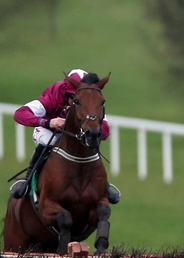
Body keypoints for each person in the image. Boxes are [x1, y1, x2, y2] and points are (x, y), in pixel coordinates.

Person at [10, 69, 119, 204]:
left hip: (75, 134)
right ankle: (27, 182)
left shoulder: (90, 98)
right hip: (49, 130)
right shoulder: (53, 95)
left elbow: (105, 131)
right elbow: (20, 114)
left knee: (91, 141)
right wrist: (48, 122)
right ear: (65, 92)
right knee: (48, 142)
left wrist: (92, 127)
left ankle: (104, 186)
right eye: (73, 98)